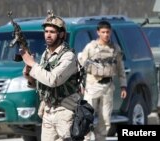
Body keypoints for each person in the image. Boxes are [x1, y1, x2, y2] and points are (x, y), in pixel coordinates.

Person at [21, 10, 79, 141]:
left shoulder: (68, 56)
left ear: (61, 34)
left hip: (65, 110)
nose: (48, 35)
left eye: (52, 32)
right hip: (48, 110)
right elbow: (41, 82)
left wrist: (33, 64)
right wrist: (30, 76)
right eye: (46, 31)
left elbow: (53, 80)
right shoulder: (46, 54)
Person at [79, 20, 127, 141]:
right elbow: (80, 67)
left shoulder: (115, 48)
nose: (106, 34)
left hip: (107, 87)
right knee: (87, 116)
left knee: (105, 119)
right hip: (92, 85)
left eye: (108, 32)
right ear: (98, 33)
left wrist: (123, 86)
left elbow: (121, 68)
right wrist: (80, 84)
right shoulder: (90, 47)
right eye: (103, 32)